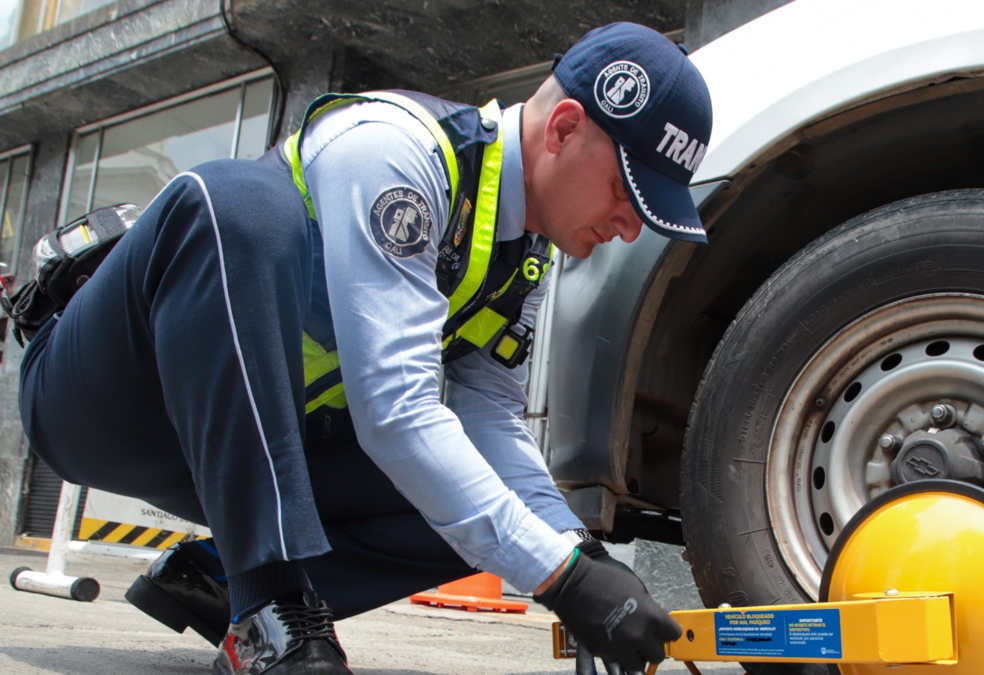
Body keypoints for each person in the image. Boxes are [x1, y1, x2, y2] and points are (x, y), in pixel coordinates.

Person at [18, 21, 712, 675]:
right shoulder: (394, 149)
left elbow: (491, 418)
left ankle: (217, 583)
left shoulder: (523, 256)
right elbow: (394, 409)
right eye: (626, 190)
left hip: (256, 452)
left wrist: (579, 553)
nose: (630, 226)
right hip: (108, 403)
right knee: (237, 203)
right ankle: (269, 607)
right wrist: (563, 580)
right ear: (563, 127)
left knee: (475, 496)